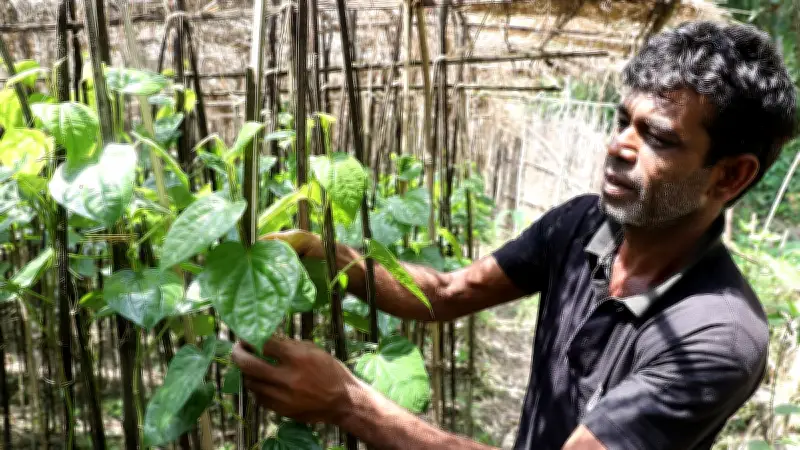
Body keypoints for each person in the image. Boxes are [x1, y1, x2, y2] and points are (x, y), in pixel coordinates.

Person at [231, 20, 797, 450]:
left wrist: (348, 402)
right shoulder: (581, 226)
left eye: (658, 137)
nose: (619, 145)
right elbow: (449, 292)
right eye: (623, 119)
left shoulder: (716, 337)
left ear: (731, 174)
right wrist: (328, 256)